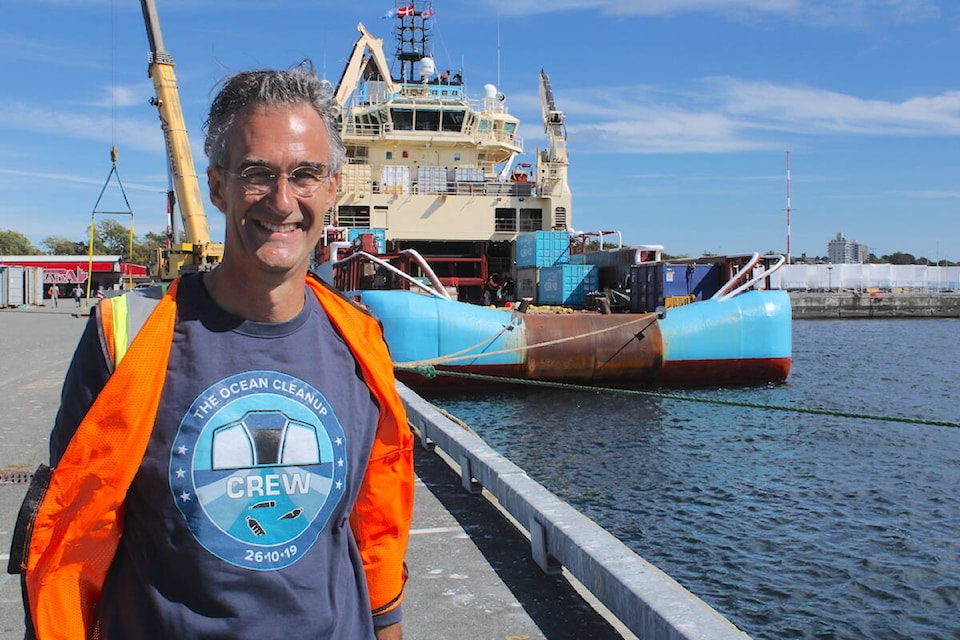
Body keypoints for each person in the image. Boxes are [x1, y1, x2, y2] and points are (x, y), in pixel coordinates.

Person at [17, 66, 413, 640]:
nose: (282, 201)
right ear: (218, 186)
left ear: (333, 187)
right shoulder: (126, 337)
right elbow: (70, 539)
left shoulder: (360, 343)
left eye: (305, 174)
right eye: (257, 173)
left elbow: (376, 528)